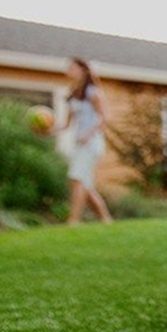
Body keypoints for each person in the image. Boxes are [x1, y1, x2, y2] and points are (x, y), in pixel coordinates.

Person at [52, 58, 113, 224]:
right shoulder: (73, 95)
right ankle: (105, 218)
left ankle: (73, 220)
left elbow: (105, 118)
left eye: (73, 67)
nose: (69, 70)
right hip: (79, 144)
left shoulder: (94, 92)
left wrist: (89, 134)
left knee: (76, 179)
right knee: (85, 184)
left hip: (92, 143)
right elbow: (66, 124)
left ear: (84, 71)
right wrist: (49, 130)